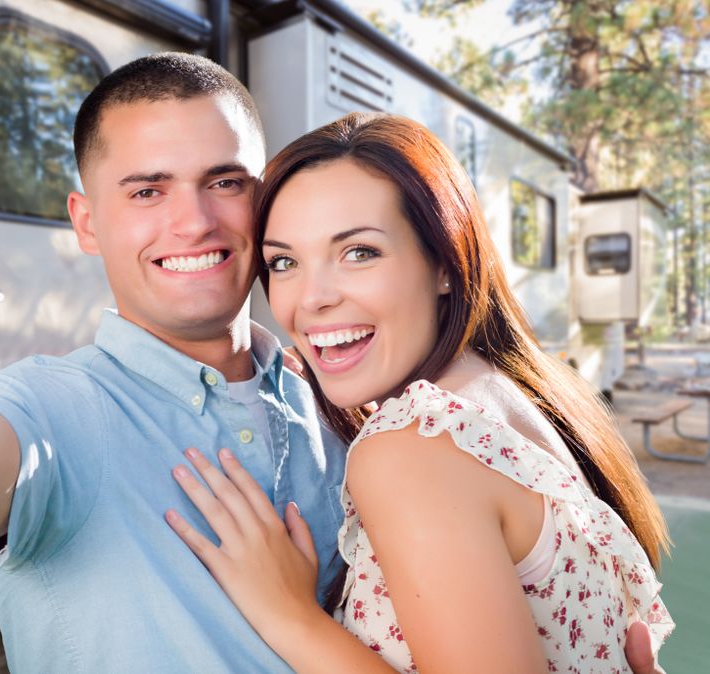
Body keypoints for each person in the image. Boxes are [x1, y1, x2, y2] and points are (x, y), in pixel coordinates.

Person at [0, 52, 663, 673]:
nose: (195, 223)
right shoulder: (59, 406)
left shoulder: (344, 393)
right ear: (86, 221)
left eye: (225, 181)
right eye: (146, 191)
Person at [167, 112, 674, 673]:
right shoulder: (516, 394)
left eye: (359, 252)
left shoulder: (415, 445)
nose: (310, 299)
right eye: (284, 262)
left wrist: (290, 615)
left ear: (445, 264)